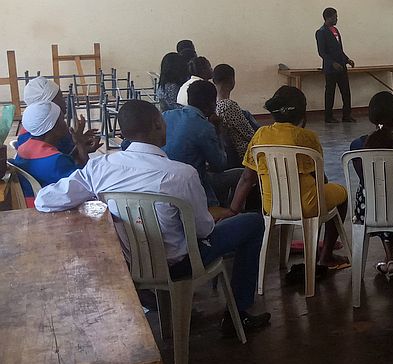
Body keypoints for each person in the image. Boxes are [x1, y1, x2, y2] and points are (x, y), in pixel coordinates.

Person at [35, 100, 271, 336]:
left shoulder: (100, 167)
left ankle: (155, 301)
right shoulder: (181, 174)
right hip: (180, 265)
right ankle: (237, 314)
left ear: (123, 132)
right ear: (159, 124)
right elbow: (203, 231)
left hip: (133, 264)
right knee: (253, 222)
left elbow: (45, 200)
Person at [229, 86, 350, 269]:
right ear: (302, 113)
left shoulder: (260, 135)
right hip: (307, 205)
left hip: (273, 206)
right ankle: (325, 256)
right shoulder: (307, 137)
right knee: (341, 194)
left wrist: (233, 209)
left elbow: (247, 178)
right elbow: (320, 179)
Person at [349, 92, 393, 279]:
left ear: (371, 116)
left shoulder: (356, 145)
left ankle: (390, 258)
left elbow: (364, 179)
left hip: (368, 210)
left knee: (376, 195)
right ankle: (392, 257)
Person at [9, 103, 93, 207]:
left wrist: (78, 148)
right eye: (62, 120)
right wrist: (80, 145)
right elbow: (84, 182)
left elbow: (65, 166)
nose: (66, 124)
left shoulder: (24, 148)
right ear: (53, 128)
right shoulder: (56, 160)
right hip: (48, 207)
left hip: (28, 201)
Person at [161, 80, 230, 206]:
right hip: (192, 189)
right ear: (211, 104)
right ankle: (223, 212)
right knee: (239, 175)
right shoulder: (204, 127)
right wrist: (218, 132)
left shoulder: (166, 116)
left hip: (163, 185)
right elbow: (220, 165)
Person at [14, 77, 97, 159]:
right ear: (48, 104)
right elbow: (69, 166)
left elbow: (68, 155)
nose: (64, 102)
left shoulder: (44, 127)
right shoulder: (38, 136)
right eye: (60, 97)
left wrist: (80, 141)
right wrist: (80, 145)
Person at [316, 7, 357, 123]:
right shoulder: (321, 32)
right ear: (328, 18)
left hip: (341, 66)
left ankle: (347, 115)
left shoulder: (336, 30)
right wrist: (332, 63)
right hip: (331, 68)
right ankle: (328, 116)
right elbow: (322, 52)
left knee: (346, 91)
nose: (337, 18)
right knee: (330, 92)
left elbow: (339, 50)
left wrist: (347, 59)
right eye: (335, 16)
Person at [213, 64, 255, 168]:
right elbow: (250, 134)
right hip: (244, 154)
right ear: (231, 81)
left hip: (228, 155)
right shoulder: (229, 106)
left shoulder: (213, 104)